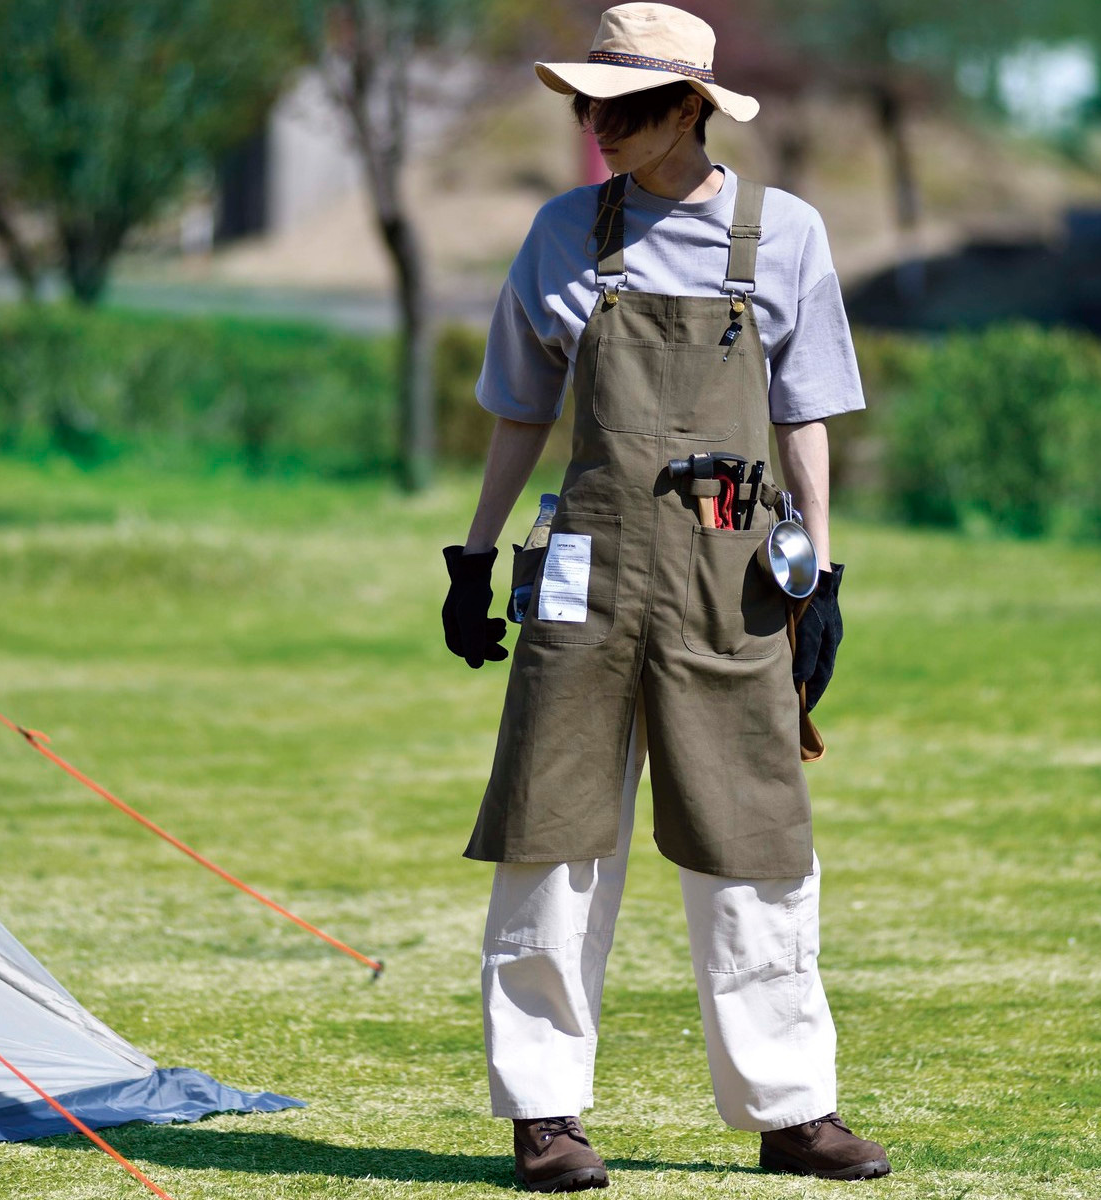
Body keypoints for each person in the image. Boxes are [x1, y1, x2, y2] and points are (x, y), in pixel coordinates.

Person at [441, 3, 890, 1190]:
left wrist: (821, 573)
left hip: (732, 578)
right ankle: (545, 1116)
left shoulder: (784, 233)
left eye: (624, 105)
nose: (597, 125)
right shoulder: (560, 233)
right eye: (588, 103)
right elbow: (520, 412)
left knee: (754, 838)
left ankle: (792, 1114)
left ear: (691, 108)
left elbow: (805, 411)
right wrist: (473, 558)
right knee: (550, 838)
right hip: (582, 571)